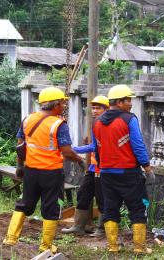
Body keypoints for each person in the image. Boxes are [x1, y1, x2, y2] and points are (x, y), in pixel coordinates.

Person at [3, 87, 83, 253]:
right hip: (51, 173)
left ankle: (10, 238)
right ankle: (46, 245)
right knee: (52, 207)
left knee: (25, 202)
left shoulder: (28, 119)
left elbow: (20, 145)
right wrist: (80, 160)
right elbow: (67, 152)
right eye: (63, 103)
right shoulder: (58, 124)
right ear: (56, 104)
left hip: (31, 171)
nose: (64, 106)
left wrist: (19, 166)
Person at [92, 85, 155, 254]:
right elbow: (138, 145)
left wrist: (102, 164)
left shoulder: (97, 122)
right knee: (137, 208)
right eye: (128, 100)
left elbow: (97, 149)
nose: (131, 103)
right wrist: (147, 167)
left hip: (106, 173)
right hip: (128, 173)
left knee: (110, 208)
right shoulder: (129, 119)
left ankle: (112, 246)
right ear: (119, 102)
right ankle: (139, 248)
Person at [61, 95, 109, 237]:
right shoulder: (96, 124)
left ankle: (101, 229)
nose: (94, 111)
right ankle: (79, 226)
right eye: (93, 108)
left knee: (102, 198)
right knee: (83, 194)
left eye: (98, 108)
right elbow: (94, 146)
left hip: (103, 168)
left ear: (106, 109)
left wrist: (76, 149)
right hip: (93, 168)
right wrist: (74, 149)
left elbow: (95, 146)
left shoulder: (107, 125)